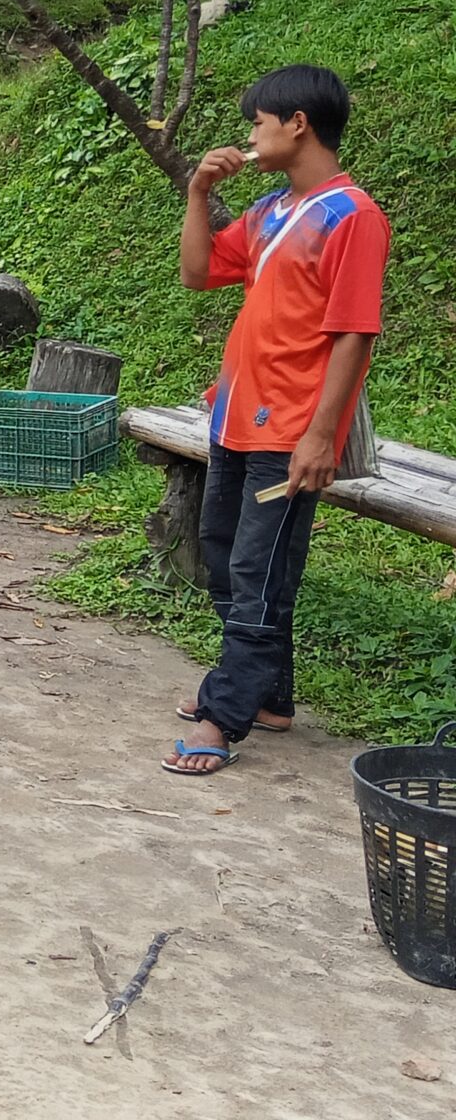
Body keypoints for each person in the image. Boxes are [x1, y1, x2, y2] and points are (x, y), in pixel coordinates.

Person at [163, 65, 389, 776]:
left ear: (298, 124)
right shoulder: (270, 211)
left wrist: (322, 435)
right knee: (228, 559)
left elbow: (354, 332)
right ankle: (269, 695)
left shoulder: (352, 215)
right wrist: (201, 192)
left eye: (258, 122)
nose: (250, 135)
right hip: (234, 416)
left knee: (256, 571)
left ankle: (222, 716)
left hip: (290, 430)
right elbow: (199, 272)